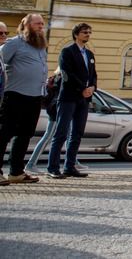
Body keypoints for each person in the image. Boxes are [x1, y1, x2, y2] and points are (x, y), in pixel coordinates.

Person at [0, 13, 49, 184]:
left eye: (42, 24)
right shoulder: (14, 43)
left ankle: (16, 172)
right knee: (4, 134)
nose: (40, 27)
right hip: (14, 95)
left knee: (24, 135)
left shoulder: (41, 46)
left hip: (35, 96)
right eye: (37, 24)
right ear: (25, 25)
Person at [46, 22, 97, 179]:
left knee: (77, 134)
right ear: (76, 34)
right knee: (61, 133)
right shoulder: (67, 51)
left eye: (89, 32)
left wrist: (93, 87)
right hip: (69, 97)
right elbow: (67, 74)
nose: (87, 34)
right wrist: (83, 87)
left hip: (84, 99)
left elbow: (93, 74)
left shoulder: (89, 54)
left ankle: (69, 166)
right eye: (84, 32)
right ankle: (52, 168)